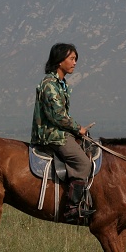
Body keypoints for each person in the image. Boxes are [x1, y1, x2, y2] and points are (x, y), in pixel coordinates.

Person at [31, 42, 95, 223]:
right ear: (60, 61)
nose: (75, 63)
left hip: (59, 131)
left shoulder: (61, 84)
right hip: (51, 134)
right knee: (83, 162)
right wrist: (78, 128)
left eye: (75, 59)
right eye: (72, 59)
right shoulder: (50, 85)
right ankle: (72, 208)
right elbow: (58, 116)